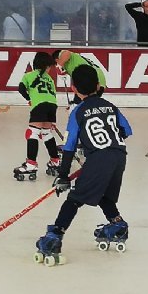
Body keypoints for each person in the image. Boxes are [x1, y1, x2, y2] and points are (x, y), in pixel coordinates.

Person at [34, 64, 133, 265]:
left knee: (74, 199)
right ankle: (118, 224)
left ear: (73, 88)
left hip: (99, 158)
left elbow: (69, 146)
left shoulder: (77, 112)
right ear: (98, 86)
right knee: (103, 194)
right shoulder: (111, 106)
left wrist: (63, 175)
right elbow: (126, 130)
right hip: (119, 156)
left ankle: (55, 236)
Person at [13, 52, 61, 181]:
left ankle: (31, 164)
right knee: (46, 134)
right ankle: (55, 161)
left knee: (32, 133)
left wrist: (29, 99)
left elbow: (21, 89)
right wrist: (52, 119)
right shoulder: (50, 79)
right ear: (46, 66)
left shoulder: (29, 75)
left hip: (39, 105)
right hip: (52, 106)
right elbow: (53, 96)